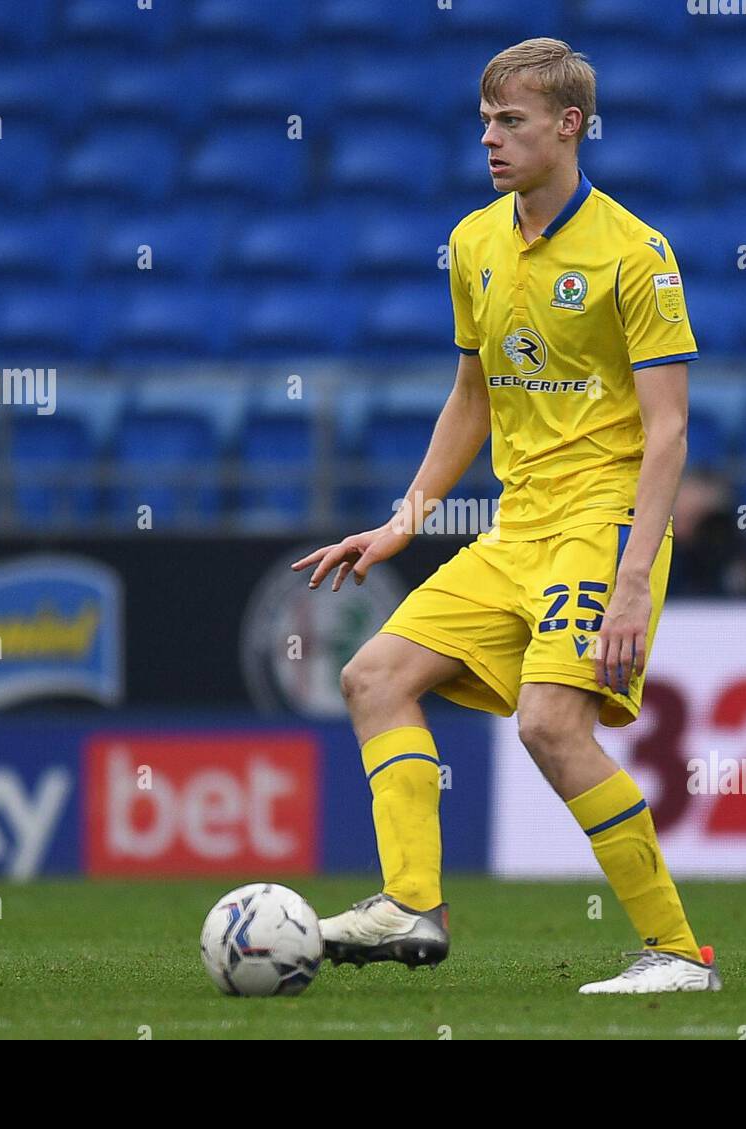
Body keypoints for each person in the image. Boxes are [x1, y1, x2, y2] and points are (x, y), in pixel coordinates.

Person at [292, 38, 720, 994]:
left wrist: (634, 579)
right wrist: (406, 516)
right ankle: (413, 906)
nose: (489, 137)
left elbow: (669, 433)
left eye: (511, 121)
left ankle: (678, 953)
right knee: (373, 676)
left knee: (550, 725)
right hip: (514, 526)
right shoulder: (475, 241)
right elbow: (470, 400)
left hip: (599, 523)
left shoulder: (636, 255)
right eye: (485, 120)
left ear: (568, 127)